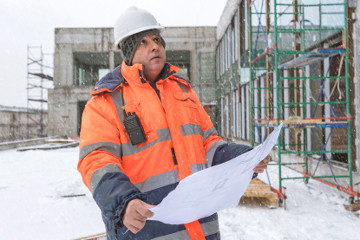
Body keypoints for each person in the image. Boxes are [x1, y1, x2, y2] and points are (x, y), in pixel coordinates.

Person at [78, 6, 270, 240]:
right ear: (127, 50)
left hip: (202, 228)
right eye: (143, 42)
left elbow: (208, 145)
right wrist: (123, 203)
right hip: (148, 230)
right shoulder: (105, 102)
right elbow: (96, 161)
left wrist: (242, 158)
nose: (154, 46)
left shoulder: (182, 91)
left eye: (157, 39)